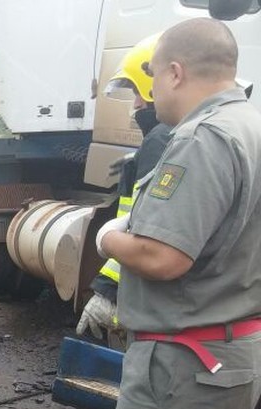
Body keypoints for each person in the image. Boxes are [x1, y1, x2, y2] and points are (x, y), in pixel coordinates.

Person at [81, 18, 261, 409]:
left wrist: (107, 235)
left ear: (177, 71)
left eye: (153, 77)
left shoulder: (205, 138)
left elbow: (164, 254)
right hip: (231, 359)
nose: (151, 93)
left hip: (182, 367)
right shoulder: (253, 125)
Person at [76, 33, 174, 341]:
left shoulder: (161, 139)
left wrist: (108, 292)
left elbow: (145, 233)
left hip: (155, 307)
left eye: (137, 92)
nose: (134, 104)